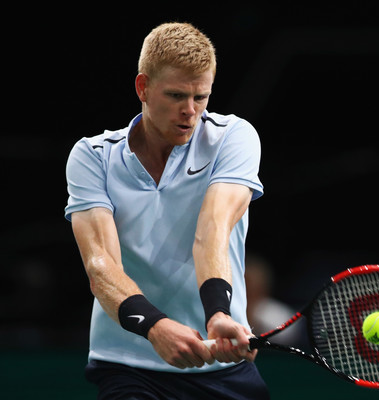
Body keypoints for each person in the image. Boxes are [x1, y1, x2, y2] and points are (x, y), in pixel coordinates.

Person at [64, 22, 269, 399]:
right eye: (176, 95)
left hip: (221, 366)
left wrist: (218, 315)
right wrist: (155, 327)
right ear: (142, 87)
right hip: (129, 364)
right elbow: (100, 266)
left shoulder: (233, 138)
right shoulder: (92, 156)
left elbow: (212, 230)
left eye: (201, 97)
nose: (190, 111)